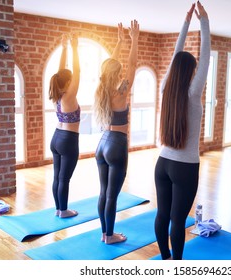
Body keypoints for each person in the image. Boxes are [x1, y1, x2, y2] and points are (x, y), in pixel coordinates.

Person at [154, 1, 210, 260]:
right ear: (191, 72)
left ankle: (165, 258)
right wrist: (204, 23)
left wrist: (187, 24)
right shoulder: (193, 92)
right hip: (185, 167)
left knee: (163, 215)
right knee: (178, 221)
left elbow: (177, 55)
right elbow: (206, 56)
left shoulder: (166, 88)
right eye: (195, 70)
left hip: (162, 163)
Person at [94, 20, 139, 244]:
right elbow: (132, 64)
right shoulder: (120, 91)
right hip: (117, 144)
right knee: (112, 196)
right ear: (117, 73)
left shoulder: (102, 89)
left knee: (103, 193)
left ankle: (105, 233)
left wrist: (120, 41)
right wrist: (134, 40)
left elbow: (108, 67)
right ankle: (110, 236)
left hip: (102, 144)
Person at [49, 33, 80, 218]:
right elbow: (78, 72)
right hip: (68, 140)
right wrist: (75, 49)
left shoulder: (56, 93)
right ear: (68, 82)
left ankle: (58, 208)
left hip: (56, 138)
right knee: (64, 178)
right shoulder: (69, 95)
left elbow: (60, 71)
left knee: (57, 176)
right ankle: (63, 210)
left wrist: (64, 48)